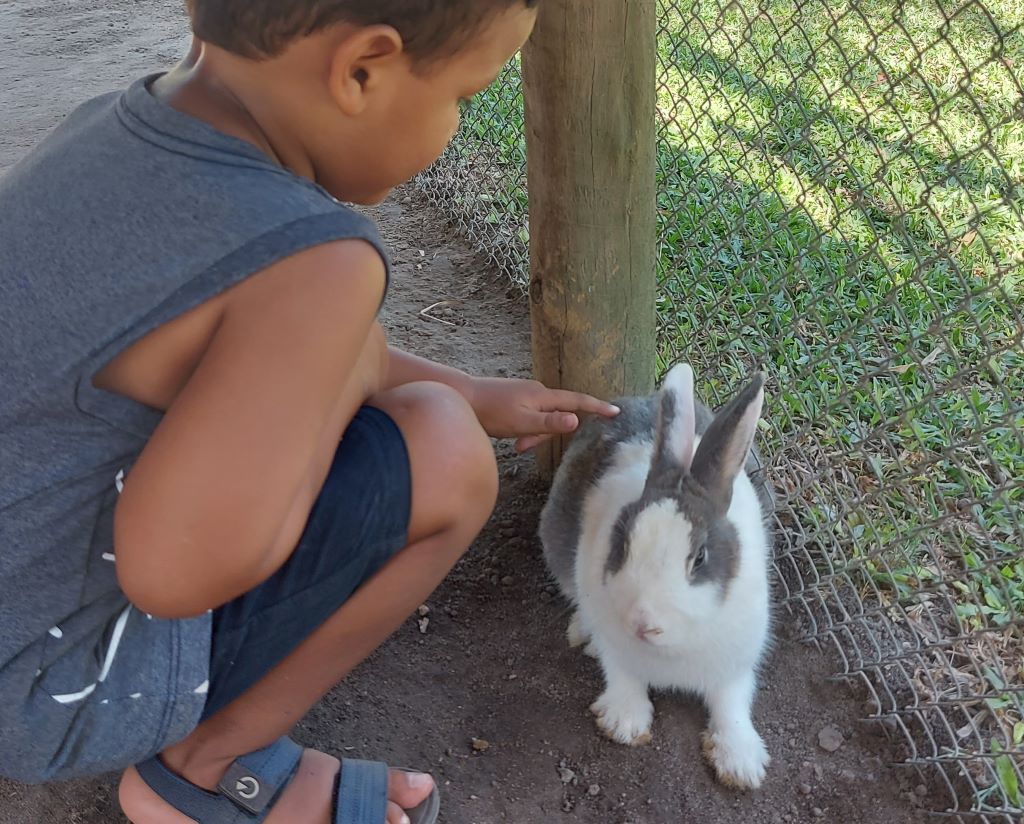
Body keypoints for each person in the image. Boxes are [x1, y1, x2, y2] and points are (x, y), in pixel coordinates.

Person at [0, 2, 619, 822]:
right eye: (465, 96)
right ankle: (204, 767)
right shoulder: (314, 261)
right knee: (445, 453)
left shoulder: (115, 131)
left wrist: (473, 391)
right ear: (361, 69)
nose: (454, 128)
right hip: (47, 692)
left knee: (442, 410)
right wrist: (370, 392)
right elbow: (171, 570)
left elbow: (252, 361)